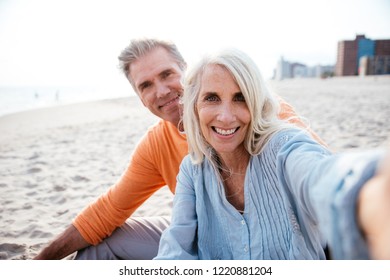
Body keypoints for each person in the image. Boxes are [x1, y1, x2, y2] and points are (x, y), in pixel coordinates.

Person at [34, 38, 326, 260]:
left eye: (166, 75)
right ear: (139, 97)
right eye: (146, 85)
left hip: (277, 237)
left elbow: (319, 172)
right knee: (100, 246)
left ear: (187, 73)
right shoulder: (160, 146)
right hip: (203, 231)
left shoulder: (259, 113)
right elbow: (109, 210)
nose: (160, 91)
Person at [154, 48, 389, 260]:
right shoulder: (192, 169)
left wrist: (369, 191)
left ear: (256, 104)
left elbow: (322, 175)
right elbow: (175, 248)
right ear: (195, 106)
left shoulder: (283, 147)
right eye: (211, 98)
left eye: (241, 98)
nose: (225, 116)